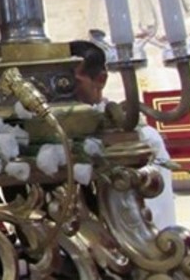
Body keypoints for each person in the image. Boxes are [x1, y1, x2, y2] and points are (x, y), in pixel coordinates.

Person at [70, 40, 177, 229]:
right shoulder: (46, 138)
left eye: (73, 82)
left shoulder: (142, 138)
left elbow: (155, 212)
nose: (63, 91)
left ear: (100, 80)